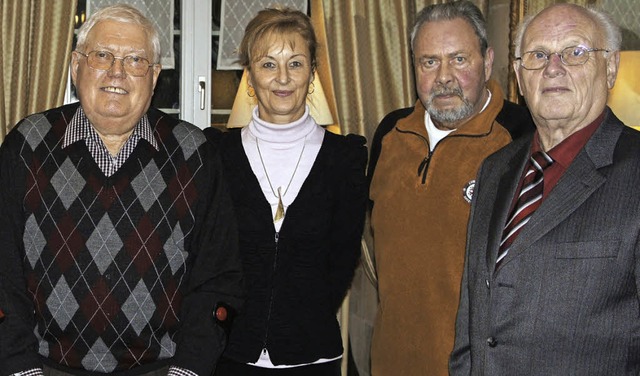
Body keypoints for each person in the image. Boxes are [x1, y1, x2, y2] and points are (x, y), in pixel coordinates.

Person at [0, 4, 243, 376]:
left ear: (155, 75)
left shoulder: (195, 155)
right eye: (102, 55)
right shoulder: (26, 145)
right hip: (45, 369)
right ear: (76, 66)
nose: (117, 71)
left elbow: (217, 277)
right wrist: (19, 367)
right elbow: (3, 271)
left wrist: (188, 369)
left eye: (135, 60)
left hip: (161, 371)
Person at [449, 3, 640, 375]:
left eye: (575, 52)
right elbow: (471, 320)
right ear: (520, 77)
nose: (554, 67)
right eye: (538, 55)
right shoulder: (494, 169)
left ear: (611, 67)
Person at [368, 1, 534, 375]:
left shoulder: (523, 138)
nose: (443, 77)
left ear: (487, 62)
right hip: (390, 364)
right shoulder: (390, 136)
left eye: (459, 59)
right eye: (429, 62)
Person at [205, 6, 367, 376]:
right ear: (250, 76)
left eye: (295, 63)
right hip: (231, 357)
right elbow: (210, 259)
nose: (282, 78)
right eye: (268, 64)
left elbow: (342, 263)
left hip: (313, 356)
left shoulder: (346, 158)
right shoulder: (218, 155)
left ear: (312, 73)